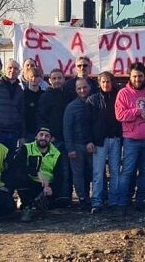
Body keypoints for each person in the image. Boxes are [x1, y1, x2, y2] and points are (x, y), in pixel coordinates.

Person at [115, 62, 145, 213]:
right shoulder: (123, 93)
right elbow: (119, 115)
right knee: (127, 171)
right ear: (130, 76)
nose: (137, 79)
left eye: (140, 76)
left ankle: (140, 200)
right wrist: (137, 111)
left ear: (144, 76)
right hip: (131, 139)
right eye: (134, 76)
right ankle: (122, 202)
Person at [86, 71, 123, 213]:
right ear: (99, 83)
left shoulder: (118, 97)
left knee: (115, 171)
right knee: (98, 172)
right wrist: (89, 140)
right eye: (103, 82)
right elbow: (87, 123)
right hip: (99, 141)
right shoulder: (93, 100)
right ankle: (96, 201)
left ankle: (114, 200)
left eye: (108, 81)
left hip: (115, 138)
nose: (106, 84)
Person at [63, 78, 97, 210]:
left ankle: (97, 197)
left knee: (95, 172)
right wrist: (70, 148)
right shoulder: (71, 107)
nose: (82, 90)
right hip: (76, 145)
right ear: (76, 90)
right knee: (78, 174)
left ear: (89, 87)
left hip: (93, 145)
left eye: (84, 87)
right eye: (79, 88)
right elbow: (67, 128)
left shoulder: (95, 103)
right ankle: (82, 198)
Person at [14, 127, 61, 222]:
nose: (43, 138)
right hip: (30, 182)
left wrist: (52, 188)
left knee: (49, 203)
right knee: (18, 175)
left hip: (46, 186)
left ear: (51, 139)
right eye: (41, 135)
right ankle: (26, 206)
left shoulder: (57, 153)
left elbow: (60, 176)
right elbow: (18, 165)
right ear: (36, 136)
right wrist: (37, 173)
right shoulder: (26, 148)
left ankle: (38, 207)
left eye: (47, 136)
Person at [36, 68, 69, 206]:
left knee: (65, 169)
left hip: (66, 138)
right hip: (53, 139)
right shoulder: (45, 96)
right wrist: (48, 136)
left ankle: (64, 197)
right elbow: (40, 118)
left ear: (63, 79)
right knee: (50, 169)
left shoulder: (68, 95)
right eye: (54, 78)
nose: (56, 81)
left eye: (59, 78)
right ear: (49, 80)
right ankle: (50, 198)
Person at [21, 67, 44, 142]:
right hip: (27, 133)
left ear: (40, 78)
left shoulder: (44, 95)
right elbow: (21, 115)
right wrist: (22, 134)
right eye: (31, 77)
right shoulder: (22, 95)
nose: (34, 79)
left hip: (42, 132)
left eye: (36, 77)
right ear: (27, 78)